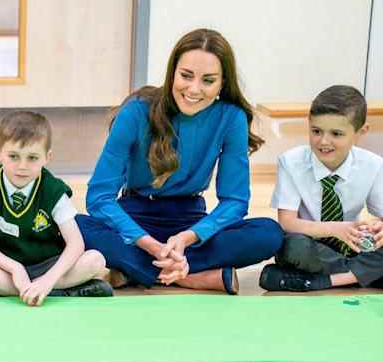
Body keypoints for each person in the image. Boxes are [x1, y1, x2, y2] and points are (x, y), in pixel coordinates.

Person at [76, 28, 283, 294]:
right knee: (72, 226)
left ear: (222, 83)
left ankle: (137, 271)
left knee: (269, 233)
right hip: (135, 214)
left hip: (190, 221)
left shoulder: (231, 118)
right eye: (186, 76)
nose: (194, 89)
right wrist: (147, 242)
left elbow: (235, 201)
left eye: (208, 80)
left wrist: (188, 237)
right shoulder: (136, 111)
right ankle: (193, 277)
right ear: (172, 72)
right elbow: (99, 196)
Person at [0, 111, 112, 305]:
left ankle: (25, 291)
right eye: (14, 156)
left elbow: (76, 244)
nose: (22, 166)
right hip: (7, 268)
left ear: (47, 157)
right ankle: (61, 293)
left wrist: (47, 281)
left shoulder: (54, 190)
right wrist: (15, 269)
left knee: (96, 260)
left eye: (32, 158)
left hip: (49, 265)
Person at [261, 85, 383, 291]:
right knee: (293, 247)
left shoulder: (373, 165)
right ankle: (363, 275)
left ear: (361, 132)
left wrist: (379, 229)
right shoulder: (291, 162)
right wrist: (335, 229)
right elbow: (287, 222)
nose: (323, 141)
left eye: (336, 133)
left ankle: (320, 281)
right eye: (316, 131)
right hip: (312, 244)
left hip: (351, 246)